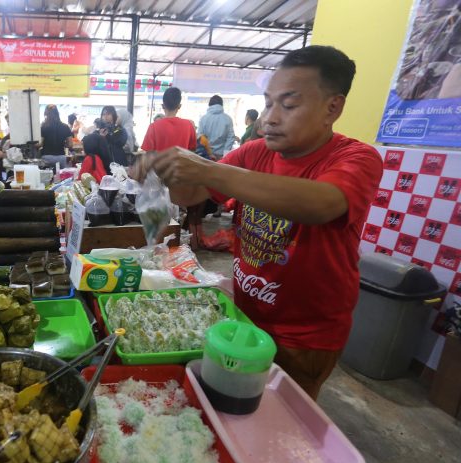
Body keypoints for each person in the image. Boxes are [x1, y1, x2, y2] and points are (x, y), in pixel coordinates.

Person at [133, 45, 383, 400]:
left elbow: (323, 203)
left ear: (333, 107)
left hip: (303, 336)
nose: (270, 118)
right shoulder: (254, 152)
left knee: (284, 420)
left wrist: (210, 169)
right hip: (243, 314)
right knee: (231, 404)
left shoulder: (357, 158)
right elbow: (190, 196)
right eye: (268, 103)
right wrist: (165, 171)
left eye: (289, 105)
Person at [141, 87, 196, 152]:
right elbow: (192, 150)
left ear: (163, 106)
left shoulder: (153, 126)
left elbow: (147, 153)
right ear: (179, 106)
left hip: (160, 162)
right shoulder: (189, 125)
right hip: (181, 162)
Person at [197, 95, 235, 160]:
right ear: (222, 105)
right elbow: (230, 138)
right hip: (222, 155)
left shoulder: (203, 119)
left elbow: (200, 138)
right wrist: (225, 154)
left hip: (207, 156)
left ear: (209, 105)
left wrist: (208, 153)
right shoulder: (228, 119)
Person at [40, 104, 72, 169]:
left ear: (46, 114)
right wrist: (64, 144)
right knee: (61, 177)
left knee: (46, 177)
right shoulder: (65, 127)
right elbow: (70, 144)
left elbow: (40, 144)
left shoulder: (44, 126)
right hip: (61, 157)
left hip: (47, 157)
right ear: (57, 113)